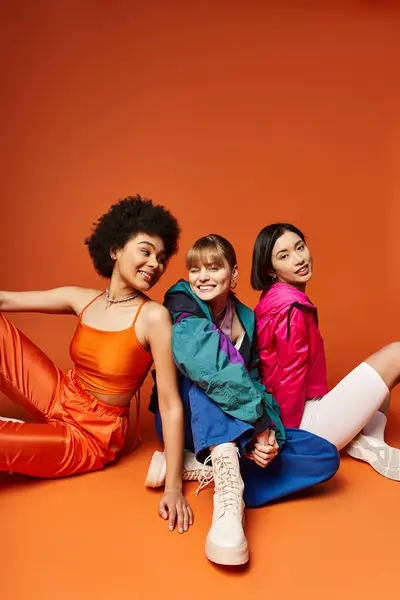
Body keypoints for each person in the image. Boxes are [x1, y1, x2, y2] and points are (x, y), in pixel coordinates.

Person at [0, 195, 192, 533]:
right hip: (60, 394)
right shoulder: (83, 299)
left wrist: (174, 487)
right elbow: (5, 299)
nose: (155, 264)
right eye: (145, 251)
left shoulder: (154, 317)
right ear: (115, 250)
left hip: (90, 435)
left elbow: (170, 403)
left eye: (161, 258)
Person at [146, 234, 339, 566]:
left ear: (233, 273)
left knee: (323, 455)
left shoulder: (247, 318)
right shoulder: (180, 302)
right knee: (204, 385)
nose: (202, 277)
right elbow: (209, 366)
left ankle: (202, 465)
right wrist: (258, 424)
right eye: (195, 269)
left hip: (234, 424)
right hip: (186, 419)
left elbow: (255, 383)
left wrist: (269, 437)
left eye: (213, 267)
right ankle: (228, 503)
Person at [252, 223, 400, 481]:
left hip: (293, 411)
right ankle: (361, 440)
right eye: (284, 256)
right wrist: (286, 443)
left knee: (382, 393)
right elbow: (287, 380)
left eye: (300, 247)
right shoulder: (292, 308)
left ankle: (370, 443)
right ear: (270, 270)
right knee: (396, 356)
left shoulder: (273, 298)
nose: (299, 259)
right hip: (301, 426)